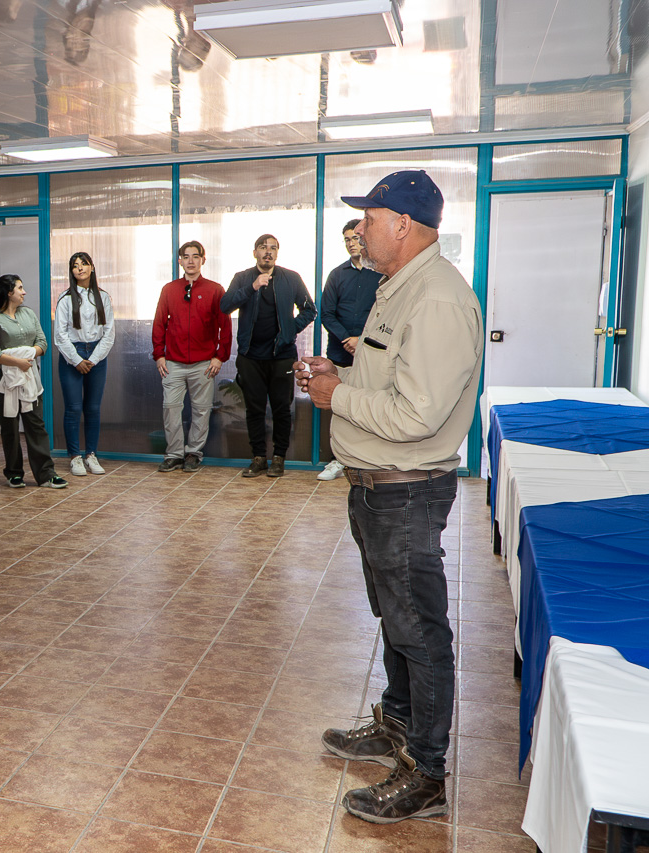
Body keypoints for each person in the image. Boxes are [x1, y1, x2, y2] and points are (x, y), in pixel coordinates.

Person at [296, 170, 483, 824]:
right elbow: (392, 379)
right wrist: (341, 372)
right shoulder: (397, 287)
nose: (361, 228)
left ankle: (426, 773)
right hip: (377, 488)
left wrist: (337, 397)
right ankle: (397, 724)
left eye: (370, 217)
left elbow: (419, 415)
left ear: (403, 224)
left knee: (419, 630)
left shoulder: (436, 299)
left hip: (406, 491)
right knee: (395, 619)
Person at [220, 234, 316, 478]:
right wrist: (251, 287)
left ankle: (279, 458)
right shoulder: (243, 278)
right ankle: (259, 458)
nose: (268, 252)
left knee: (282, 408)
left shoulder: (291, 278)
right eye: (263, 248)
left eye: (273, 248)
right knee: (254, 409)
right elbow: (225, 305)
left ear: (277, 253)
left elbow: (310, 310)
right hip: (250, 356)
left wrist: (290, 330)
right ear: (255, 253)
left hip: (282, 356)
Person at [150, 241, 229, 473]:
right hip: (172, 363)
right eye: (186, 257)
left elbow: (225, 326)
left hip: (204, 364)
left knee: (201, 410)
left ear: (203, 260)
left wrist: (219, 357)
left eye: (196, 256)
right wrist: (159, 355)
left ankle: (194, 452)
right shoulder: (169, 289)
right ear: (180, 261)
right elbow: (159, 323)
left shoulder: (215, 290)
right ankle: (174, 454)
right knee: (171, 408)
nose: (191, 261)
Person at [317, 219, 384, 482]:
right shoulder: (337, 275)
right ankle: (338, 459)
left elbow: (384, 314)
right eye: (346, 239)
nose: (351, 244)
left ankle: (366, 459)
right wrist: (347, 339)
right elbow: (327, 313)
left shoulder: (381, 274)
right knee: (338, 405)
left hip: (372, 353)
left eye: (355, 238)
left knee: (368, 404)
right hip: (339, 352)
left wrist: (361, 340)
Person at [0, 274, 66, 489]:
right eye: (20, 288)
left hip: (30, 377)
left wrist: (27, 356)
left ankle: (46, 474)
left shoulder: (28, 313)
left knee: (36, 425)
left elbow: (43, 342)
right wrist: (19, 362)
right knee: (10, 427)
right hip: (5, 380)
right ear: (8, 293)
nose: (24, 292)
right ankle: (14, 473)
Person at [54, 251, 114, 477]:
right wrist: (77, 360)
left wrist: (94, 359)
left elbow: (109, 333)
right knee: (73, 408)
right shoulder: (65, 298)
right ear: (71, 271)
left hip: (97, 354)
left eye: (84, 264)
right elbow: (60, 335)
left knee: (93, 408)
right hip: (72, 355)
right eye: (75, 265)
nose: (79, 268)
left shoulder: (103, 297)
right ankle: (75, 457)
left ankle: (91, 454)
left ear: (92, 268)